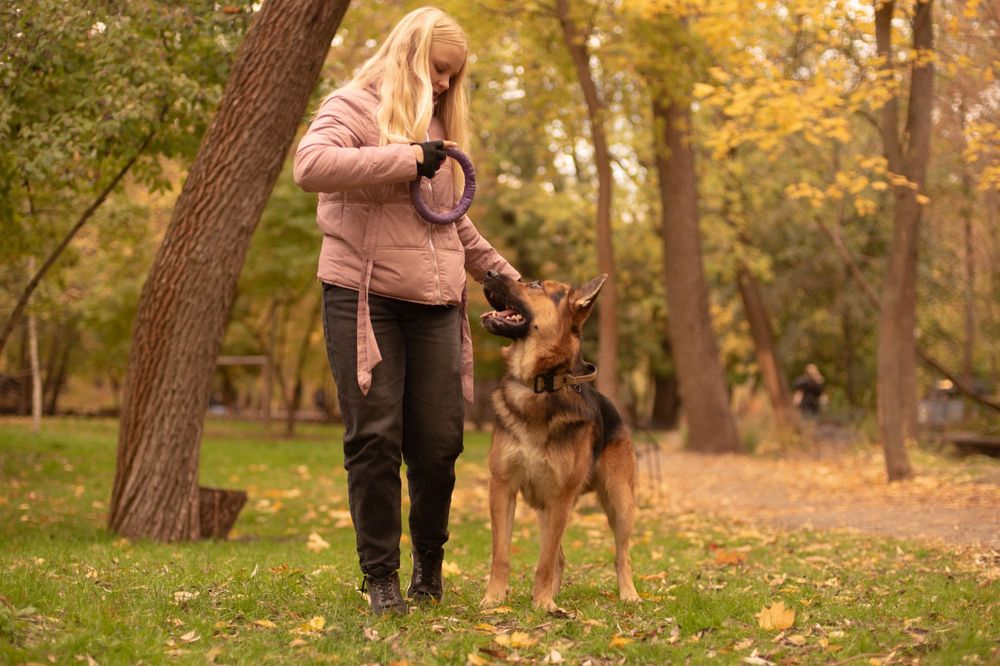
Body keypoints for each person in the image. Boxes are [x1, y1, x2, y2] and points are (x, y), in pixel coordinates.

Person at [293, 7, 520, 616]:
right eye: (439, 70)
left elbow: (448, 220)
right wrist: (405, 157)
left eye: (454, 75)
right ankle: (381, 578)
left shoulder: (439, 126)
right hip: (363, 297)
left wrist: (504, 278)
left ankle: (429, 567)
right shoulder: (352, 106)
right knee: (374, 439)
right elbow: (309, 167)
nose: (445, 84)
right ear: (411, 55)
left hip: (436, 304)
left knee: (440, 443)